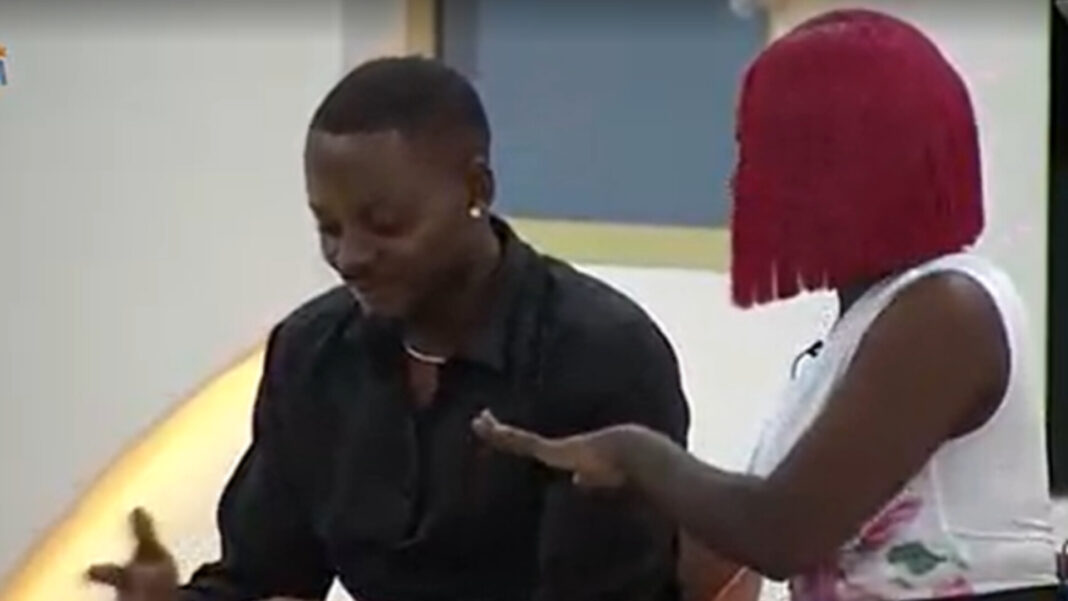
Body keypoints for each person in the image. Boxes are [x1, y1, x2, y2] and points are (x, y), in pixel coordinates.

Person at [473, 9, 1059, 601]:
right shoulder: (864, 324)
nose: (740, 182)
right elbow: (739, 543)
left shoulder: (946, 311)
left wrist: (633, 451)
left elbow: (782, 533)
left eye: (759, 153)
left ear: (837, 168)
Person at [86, 57, 691, 601]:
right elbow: (264, 574)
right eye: (328, 227)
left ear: (476, 190)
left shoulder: (600, 355)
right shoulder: (311, 353)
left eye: (385, 224)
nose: (349, 257)